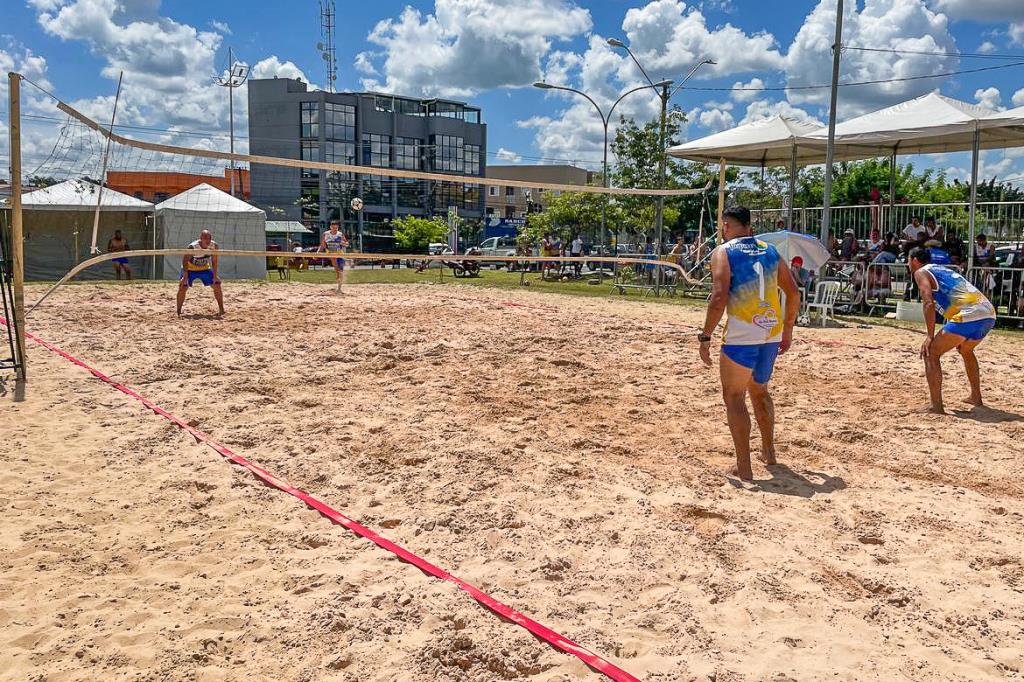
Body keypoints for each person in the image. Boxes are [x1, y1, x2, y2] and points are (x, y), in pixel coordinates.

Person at [698, 206, 800, 481]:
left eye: (723, 226)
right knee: (760, 392)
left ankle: (744, 467)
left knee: (733, 397)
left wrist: (705, 336)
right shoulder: (770, 250)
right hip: (770, 332)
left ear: (727, 226)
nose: (722, 230)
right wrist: (787, 329)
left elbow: (719, 297)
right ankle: (768, 452)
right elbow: (793, 292)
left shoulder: (724, 251)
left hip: (742, 334)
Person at [909, 247, 997, 413]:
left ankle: (936, 406)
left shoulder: (920, 272)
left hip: (970, 313)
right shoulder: (941, 269)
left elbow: (928, 302)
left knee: (931, 352)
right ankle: (976, 397)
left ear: (914, 260)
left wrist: (929, 336)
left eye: (908, 261)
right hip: (988, 313)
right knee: (965, 349)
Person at [176, 229, 224, 316]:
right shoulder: (193, 247)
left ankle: (222, 310)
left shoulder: (214, 246)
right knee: (183, 286)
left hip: (204, 269)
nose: (208, 241)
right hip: (190, 269)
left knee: (217, 284)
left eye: (209, 238)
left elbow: (214, 261)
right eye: (205, 238)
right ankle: (178, 312)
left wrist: (215, 275)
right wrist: (185, 276)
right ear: (200, 238)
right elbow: (184, 261)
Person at [318, 220, 349, 291]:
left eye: (336, 228)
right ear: (330, 227)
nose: (335, 229)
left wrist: (343, 243)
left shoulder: (340, 234)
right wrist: (317, 253)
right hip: (331, 253)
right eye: (334, 228)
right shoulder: (326, 234)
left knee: (341, 271)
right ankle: (338, 275)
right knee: (334, 261)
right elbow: (322, 245)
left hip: (340, 253)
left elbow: (347, 244)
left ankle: (339, 288)